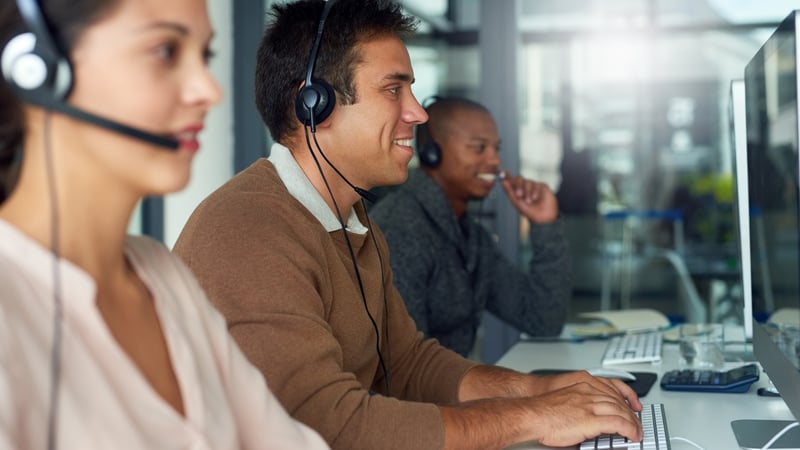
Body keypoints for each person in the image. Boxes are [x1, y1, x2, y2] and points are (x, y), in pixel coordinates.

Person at [173, 1, 643, 449]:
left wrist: (541, 390)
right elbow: (326, 427)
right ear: (314, 105)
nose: (417, 113)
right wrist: (536, 417)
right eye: (394, 89)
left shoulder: (356, 224)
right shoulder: (248, 232)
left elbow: (411, 363)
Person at [0, 0, 328, 448]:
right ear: (35, 70)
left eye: (205, 56)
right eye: (165, 51)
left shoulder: (163, 275)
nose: (209, 91)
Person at [370, 97, 570, 358]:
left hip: (444, 395)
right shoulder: (400, 229)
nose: (495, 160)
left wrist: (545, 225)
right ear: (432, 153)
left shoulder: (470, 237)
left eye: (496, 148)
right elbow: (405, 366)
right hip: (413, 397)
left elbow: (542, 320)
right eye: (479, 148)